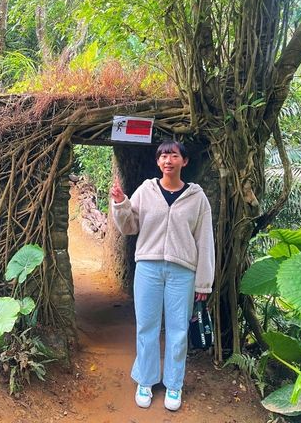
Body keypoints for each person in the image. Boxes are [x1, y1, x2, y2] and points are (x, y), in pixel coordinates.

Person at [110, 140, 214, 411]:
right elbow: (130, 226)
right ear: (158, 162)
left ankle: (174, 385)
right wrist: (121, 204)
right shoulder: (146, 190)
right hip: (148, 268)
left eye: (174, 155)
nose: (168, 160)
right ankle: (146, 380)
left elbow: (205, 241)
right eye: (163, 156)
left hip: (183, 272)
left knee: (178, 331)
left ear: (184, 161)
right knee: (147, 326)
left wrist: (204, 281)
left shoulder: (197, 198)